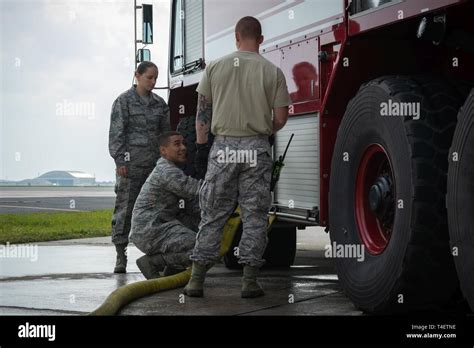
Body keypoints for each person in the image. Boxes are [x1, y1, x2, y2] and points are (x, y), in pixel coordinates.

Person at [184, 16, 291, 298]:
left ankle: (196, 281)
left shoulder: (215, 68)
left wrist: (202, 147)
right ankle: (250, 281)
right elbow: (280, 118)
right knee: (255, 216)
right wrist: (264, 128)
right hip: (256, 148)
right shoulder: (273, 72)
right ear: (261, 39)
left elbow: (201, 116)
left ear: (236, 37)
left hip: (224, 149)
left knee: (213, 215)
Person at [108, 61, 171, 273]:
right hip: (131, 166)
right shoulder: (123, 102)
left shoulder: (160, 104)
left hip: (154, 168)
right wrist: (121, 161)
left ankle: (157, 257)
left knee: (158, 211)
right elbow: (117, 135)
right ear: (137, 75)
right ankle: (121, 255)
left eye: (155, 78)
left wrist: (166, 162)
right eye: (149, 77)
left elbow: (166, 136)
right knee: (125, 210)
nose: (153, 82)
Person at [130, 131, 202, 279]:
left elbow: (193, 206)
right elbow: (195, 189)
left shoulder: (172, 169)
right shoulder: (166, 171)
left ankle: (172, 270)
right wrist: (226, 185)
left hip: (159, 226)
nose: (183, 148)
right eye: (177, 144)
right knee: (202, 248)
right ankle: (152, 262)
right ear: (163, 150)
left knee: (204, 231)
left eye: (184, 144)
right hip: (151, 230)